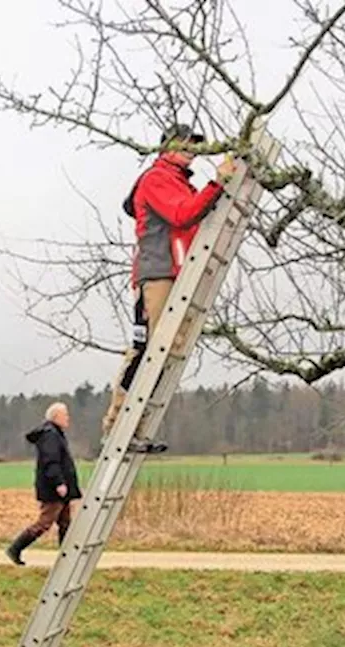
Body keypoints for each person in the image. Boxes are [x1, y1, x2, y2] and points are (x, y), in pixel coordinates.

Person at [102, 123, 237, 440]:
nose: (191, 149)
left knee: (170, 349)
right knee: (148, 346)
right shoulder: (157, 178)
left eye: (195, 144)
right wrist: (217, 183)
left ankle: (137, 424)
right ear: (167, 146)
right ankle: (117, 424)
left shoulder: (181, 182)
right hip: (159, 273)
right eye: (185, 143)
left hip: (179, 273)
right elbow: (181, 214)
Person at [5, 402, 82, 565]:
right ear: (56, 417)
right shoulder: (50, 435)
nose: (68, 418)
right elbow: (51, 462)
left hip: (61, 488)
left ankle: (67, 558)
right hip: (54, 489)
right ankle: (15, 548)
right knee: (44, 523)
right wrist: (59, 483)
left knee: (65, 523)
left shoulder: (56, 433)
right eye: (65, 414)